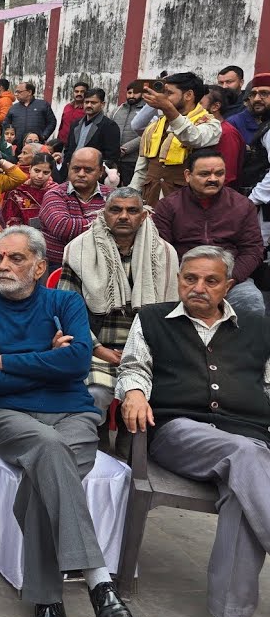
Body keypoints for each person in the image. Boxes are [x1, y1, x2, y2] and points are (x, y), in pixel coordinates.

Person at [0, 225, 136, 617]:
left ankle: (47, 602)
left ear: (39, 267)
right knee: (49, 446)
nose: (2, 265)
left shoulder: (64, 302)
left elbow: (77, 363)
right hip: (9, 417)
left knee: (44, 476)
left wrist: (5, 361)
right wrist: (47, 362)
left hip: (73, 414)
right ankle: (99, 580)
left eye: (15, 258)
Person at [115, 245, 270, 617]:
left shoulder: (257, 328)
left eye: (211, 281)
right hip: (180, 432)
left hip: (248, 436)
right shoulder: (152, 319)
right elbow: (133, 367)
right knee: (247, 454)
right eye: (190, 279)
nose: (198, 287)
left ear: (228, 286)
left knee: (242, 489)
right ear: (179, 280)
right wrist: (134, 392)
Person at [58, 187, 177, 419]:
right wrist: (99, 350)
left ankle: (131, 434)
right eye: (115, 210)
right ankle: (98, 435)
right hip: (96, 347)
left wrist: (142, 354)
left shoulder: (164, 253)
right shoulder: (79, 250)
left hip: (150, 350)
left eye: (132, 210)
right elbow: (66, 311)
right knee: (94, 392)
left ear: (144, 216)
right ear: (103, 214)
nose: (123, 216)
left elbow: (171, 312)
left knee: (167, 392)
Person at [152, 150, 265, 318]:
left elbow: (253, 250)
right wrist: (187, 278)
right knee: (159, 307)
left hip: (230, 277)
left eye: (219, 173)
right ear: (188, 175)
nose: (213, 179)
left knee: (250, 302)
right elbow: (162, 250)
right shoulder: (168, 206)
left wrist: (227, 280)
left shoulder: (242, 205)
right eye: (205, 174)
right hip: (183, 277)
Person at [131, 72, 224, 205]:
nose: (163, 97)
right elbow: (142, 169)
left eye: (169, 93)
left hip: (186, 204)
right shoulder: (156, 125)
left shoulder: (210, 123)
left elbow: (192, 138)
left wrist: (168, 108)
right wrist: (131, 194)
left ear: (188, 95)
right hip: (151, 200)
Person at [38, 147, 109, 272]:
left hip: (101, 265)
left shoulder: (112, 196)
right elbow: (63, 227)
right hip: (60, 266)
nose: (81, 174)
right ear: (68, 167)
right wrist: (105, 222)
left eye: (88, 170)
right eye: (76, 169)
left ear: (101, 171)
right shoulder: (54, 194)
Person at [67, 89, 121, 172]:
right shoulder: (76, 124)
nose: (89, 105)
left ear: (102, 104)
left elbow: (111, 156)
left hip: (92, 172)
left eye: (93, 103)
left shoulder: (109, 126)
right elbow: (68, 149)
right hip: (72, 171)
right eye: (86, 102)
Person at [2, 152, 56, 228]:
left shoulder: (56, 193)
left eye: (46, 172)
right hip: (22, 233)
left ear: (51, 173)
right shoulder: (17, 193)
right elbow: (10, 221)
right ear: (30, 169)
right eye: (36, 171)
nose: (40, 176)